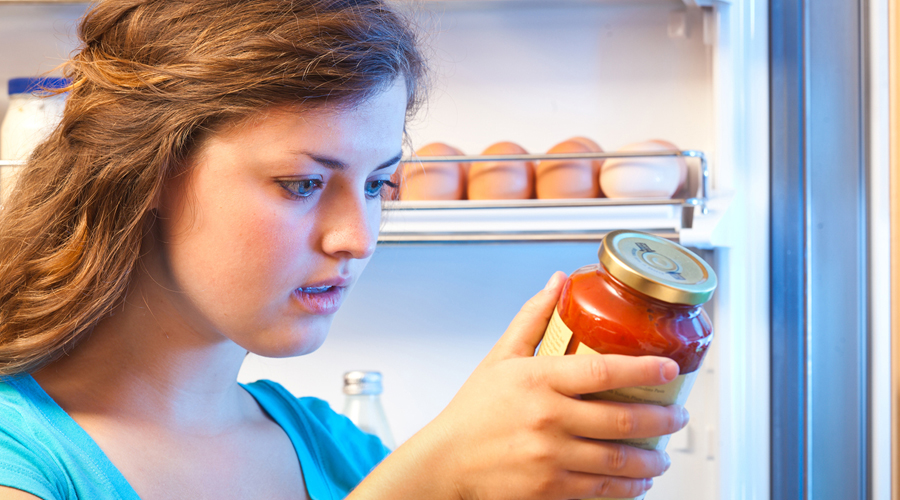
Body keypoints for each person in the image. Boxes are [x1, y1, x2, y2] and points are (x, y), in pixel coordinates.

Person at [0, 0, 688, 499]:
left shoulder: (329, 446)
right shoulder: (23, 456)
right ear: (148, 171)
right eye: (302, 184)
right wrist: (427, 481)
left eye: (378, 184)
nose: (356, 238)